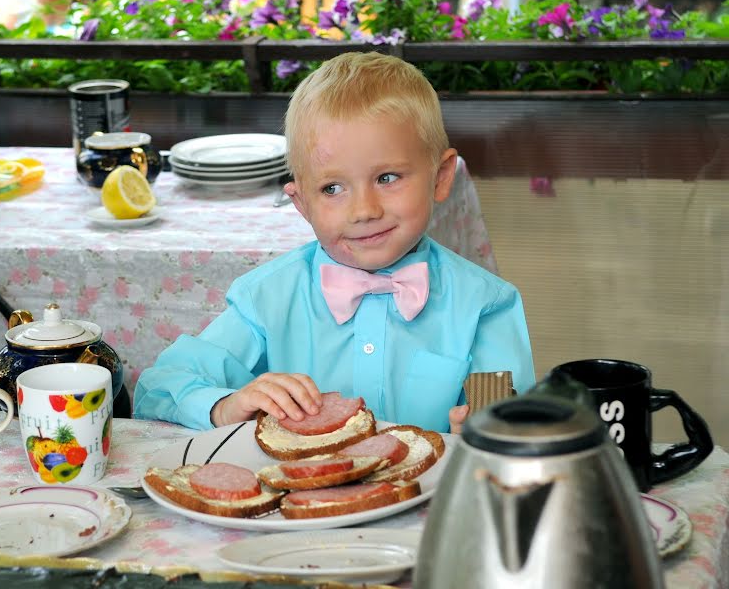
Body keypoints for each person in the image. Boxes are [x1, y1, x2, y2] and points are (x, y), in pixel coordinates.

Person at [134, 51, 535, 434]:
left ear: (442, 176)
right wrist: (225, 406)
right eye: (332, 188)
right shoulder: (267, 298)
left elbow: (505, 417)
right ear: (302, 203)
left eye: (387, 178)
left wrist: (491, 429)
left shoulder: (486, 305)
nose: (364, 210)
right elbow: (157, 389)